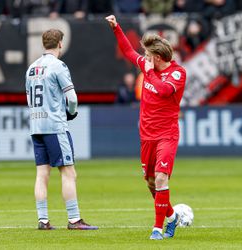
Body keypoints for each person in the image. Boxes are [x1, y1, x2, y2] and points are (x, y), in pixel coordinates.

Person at [105, 15, 187, 240]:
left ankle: (157, 229)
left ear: (158, 58)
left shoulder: (177, 73)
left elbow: (163, 91)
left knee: (161, 177)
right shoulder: (148, 64)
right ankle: (172, 217)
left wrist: (149, 72)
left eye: (149, 56)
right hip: (146, 135)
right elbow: (129, 51)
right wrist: (116, 28)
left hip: (167, 135)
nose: (144, 59)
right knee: (151, 183)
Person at [25, 29, 98, 230]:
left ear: (43, 44)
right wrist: (71, 112)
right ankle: (74, 219)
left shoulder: (31, 68)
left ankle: (43, 220)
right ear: (60, 44)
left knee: (42, 174)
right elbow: (72, 98)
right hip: (54, 125)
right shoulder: (58, 66)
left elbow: (29, 99)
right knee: (68, 172)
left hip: (36, 125)